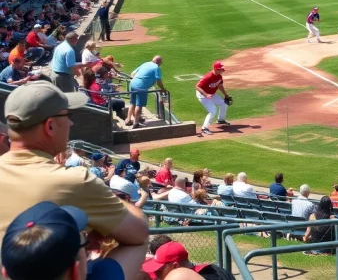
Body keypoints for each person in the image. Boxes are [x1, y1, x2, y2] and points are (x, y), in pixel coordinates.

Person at [0, 81, 149, 264]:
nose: (70, 123)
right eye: (67, 115)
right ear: (50, 126)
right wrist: (99, 208)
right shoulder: (74, 181)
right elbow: (139, 233)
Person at [1, 202, 147, 280]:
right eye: (84, 243)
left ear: (5, 272)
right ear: (74, 272)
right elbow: (140, 236)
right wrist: (98, 193)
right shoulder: (102, 275)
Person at [142, 241, 236, 279]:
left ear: (175, 266)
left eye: (159, 269)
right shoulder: (216, 269)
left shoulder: (181, 277)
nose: (156, 273)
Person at [127, 55, 166, 129]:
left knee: (133, 103)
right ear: (159, 62)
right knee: (139, 105)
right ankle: (135, 122)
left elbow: (132, 74)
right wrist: (163, 89)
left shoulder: (145, 63)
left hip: (132, 84)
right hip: (141, 87)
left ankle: (128, 119)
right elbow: (159, 81)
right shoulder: (156, 67)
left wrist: (137, 80)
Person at [195, 61, 231, 136]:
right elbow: (197, 86)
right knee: (212, 110)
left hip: (211, 94)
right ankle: (204, 128)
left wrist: (226, 95)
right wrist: (206, 94)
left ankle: (221, 120)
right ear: (216, 69)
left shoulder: (219, 77)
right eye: (221, 69)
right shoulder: (208, 77)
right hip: (202, 95)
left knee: (224, 103)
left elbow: (220, 86)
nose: (222, 70)